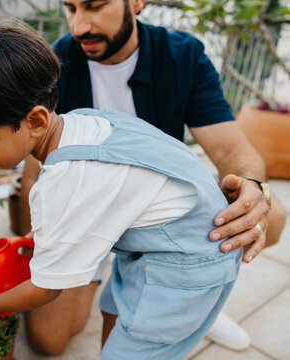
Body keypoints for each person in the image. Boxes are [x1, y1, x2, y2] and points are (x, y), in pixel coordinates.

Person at [0, 22, 243, 360]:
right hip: (164, 241)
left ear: (37, 121)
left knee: (136, 348)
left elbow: (46, 289)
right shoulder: (81, 121)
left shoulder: (63, 180)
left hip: (187, 260)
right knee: (114, 310)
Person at [16, 0, 287, 355]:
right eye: (70, 8)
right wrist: (40, 250)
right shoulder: (55, 63)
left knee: (272, 213)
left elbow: (228, 148)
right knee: (46, 341)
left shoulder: (182, 56)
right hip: (85, 211)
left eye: (94, 6)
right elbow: (33, 176)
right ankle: (127, 282)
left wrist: (252, 186)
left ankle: (193, 297)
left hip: (163, 218)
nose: (80, 25)